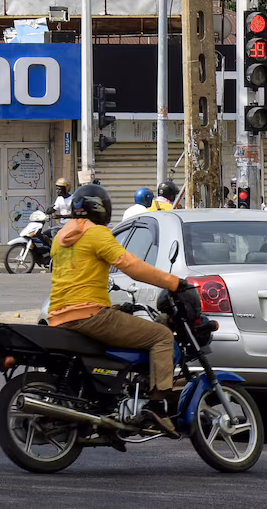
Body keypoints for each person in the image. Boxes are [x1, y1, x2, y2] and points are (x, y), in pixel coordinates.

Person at [48, 182, 190, 430]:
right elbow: (130, 265)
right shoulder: (97, 233)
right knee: (162, 336)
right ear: (101, 208)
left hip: (60, 315)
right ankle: (156, 406)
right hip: (89, 315)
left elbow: (79, 278)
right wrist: (174, 282)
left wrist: (113, 307)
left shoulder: (60, 237)